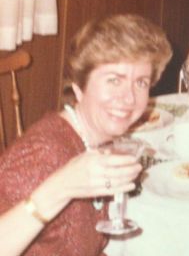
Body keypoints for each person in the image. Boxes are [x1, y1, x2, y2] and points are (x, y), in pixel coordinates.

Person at [0, 14, 172, 256]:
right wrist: (62, 185)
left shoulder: (93, 141)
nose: (129, 98)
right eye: (114, 80)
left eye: (141, 83)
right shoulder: (42, 156)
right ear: (79, 87)